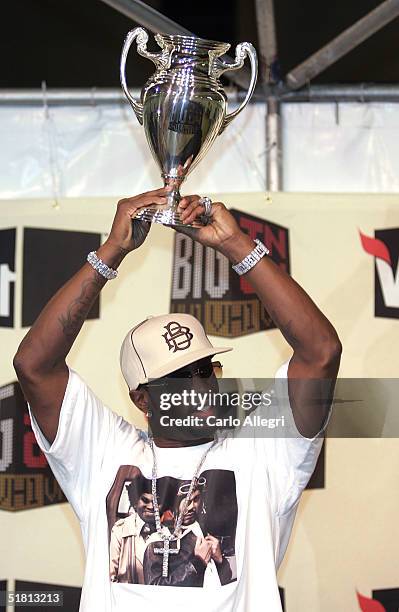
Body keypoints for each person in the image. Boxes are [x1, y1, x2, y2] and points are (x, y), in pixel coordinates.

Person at [13, 187, 342, 611]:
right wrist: (111, 251)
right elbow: (34, 365)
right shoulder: (103, 453)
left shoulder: (262, 451)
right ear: (142, 400)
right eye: (178, 377)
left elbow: (320, 352)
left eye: (205, 369)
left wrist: (235, 245)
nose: (200, 386)